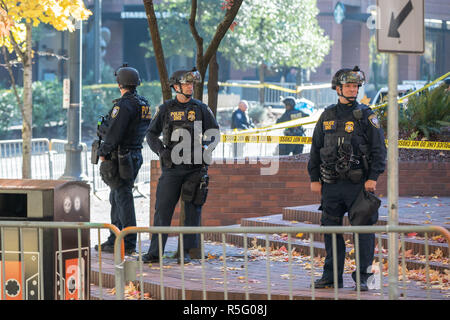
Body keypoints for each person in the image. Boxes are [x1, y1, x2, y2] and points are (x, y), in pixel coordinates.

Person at [307, 66, 387, 291]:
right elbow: (315, 148)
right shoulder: (327, 115)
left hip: (358, 185)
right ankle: (331, 276)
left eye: (355, 86)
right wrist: (314, 177)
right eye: (349, 86)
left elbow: (379, 150)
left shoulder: (366, 115)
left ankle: (363, 277)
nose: (353, 90)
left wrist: (373, 177)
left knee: (362, 231)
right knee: (331, 231)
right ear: (338, 88)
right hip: (331, 186)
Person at [142, 68, 220, 263]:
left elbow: (214, 132)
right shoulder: (166, 108)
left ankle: (186, 254)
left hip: (194, 169)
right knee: (162, 211)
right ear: (176, 86)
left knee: (192, 213)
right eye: (186, 84)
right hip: (172, 169)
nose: (190, 87)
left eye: (192, 84)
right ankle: (154, 253)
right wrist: (161, 151)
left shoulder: (201, 108)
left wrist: (205, 150)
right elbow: (151, 134)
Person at [94, 64, 152, 254]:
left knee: (123, 197)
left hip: (121, 156)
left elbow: (114, 133)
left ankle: (127, 242)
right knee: (117, 196)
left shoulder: (123, 105)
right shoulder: (143, 103)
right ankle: (115, 238)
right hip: (132, 154)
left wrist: (103, 150)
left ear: (120, 83)